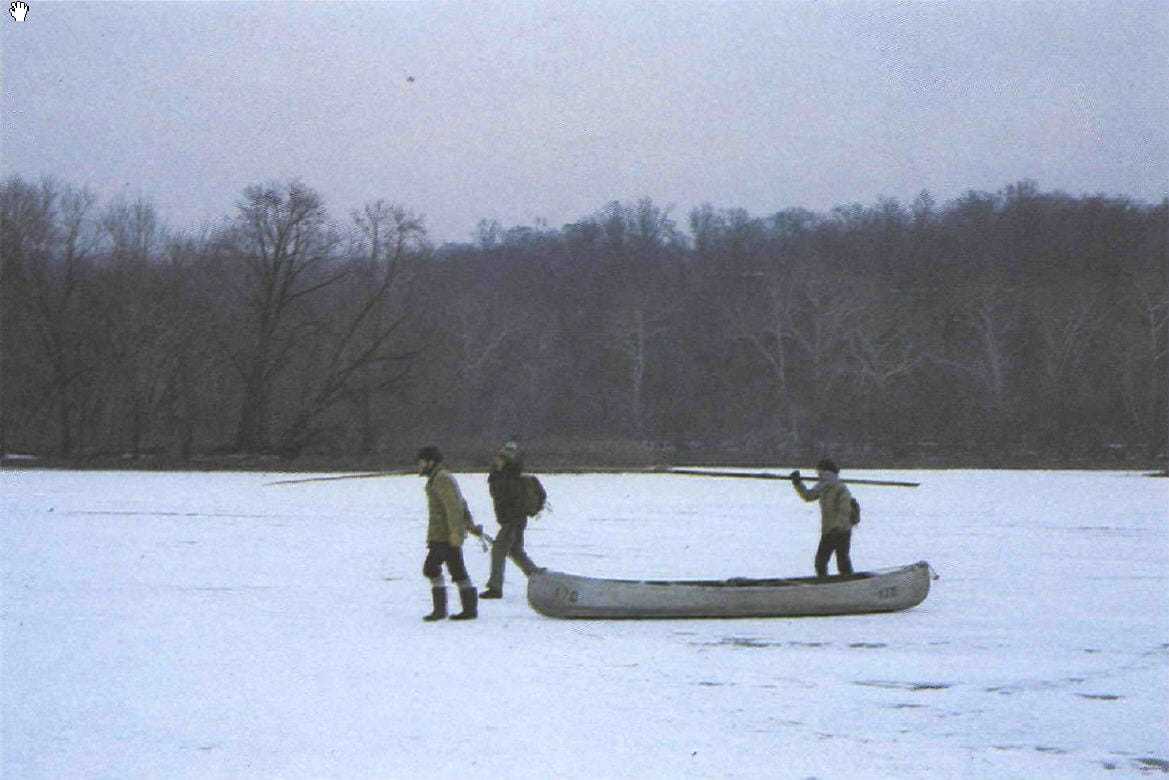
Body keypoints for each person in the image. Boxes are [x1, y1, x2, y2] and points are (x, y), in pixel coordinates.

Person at [417, 445, 482, 621]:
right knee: (458, 571)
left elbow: (454, 508)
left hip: (444, 536)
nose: (419, 466)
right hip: (442, 534)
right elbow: (460, 503)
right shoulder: (436, 478)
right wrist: (468, 524)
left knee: (431, 568)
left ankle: (442, 610)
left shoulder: (442, 479)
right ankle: (468, 610)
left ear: (431, 462)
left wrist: (456, 534)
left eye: (422, 462)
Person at [480, 440, 541, 599]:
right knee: (515, 551)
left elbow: (512, 501)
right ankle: (537, 576)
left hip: (512, 521)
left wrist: (510, 521)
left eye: (500, 459)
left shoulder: (508, 479)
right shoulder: (502, 476)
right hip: (513, 521)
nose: (496, 461)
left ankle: (495, 587)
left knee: (498, 550)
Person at [790, 458, 855, 577]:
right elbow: (808, 496)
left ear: (824, 471)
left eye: (819, 471)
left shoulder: (839, 488)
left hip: (841, 531)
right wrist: (797, 483)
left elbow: (844, 511)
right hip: (829, 530)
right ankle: (826, 583)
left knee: (840, 561)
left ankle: (848, 585)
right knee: (822, 562)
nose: (817, 473)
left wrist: (837, 527)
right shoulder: (823, 486)